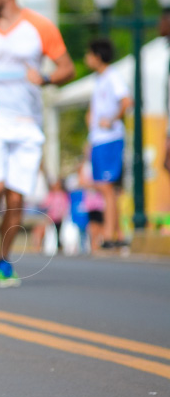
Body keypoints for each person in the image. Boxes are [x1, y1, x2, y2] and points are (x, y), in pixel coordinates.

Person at [0, 0, 75, 286]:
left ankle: (3, 262)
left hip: (28, 124)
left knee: (16, 197)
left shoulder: (38, 26)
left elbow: (67, 68)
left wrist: (45, 78)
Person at [84, 37, 131, 249]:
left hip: (110, 138)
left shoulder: (113, 76)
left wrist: (111, 120)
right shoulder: (99, 79)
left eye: (89, 54)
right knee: (106, 187)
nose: (87, 59)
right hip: (99, 139)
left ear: (98, 56)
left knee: (106, 187)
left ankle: (110, 234)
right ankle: (116, 233)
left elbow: (127, 101)